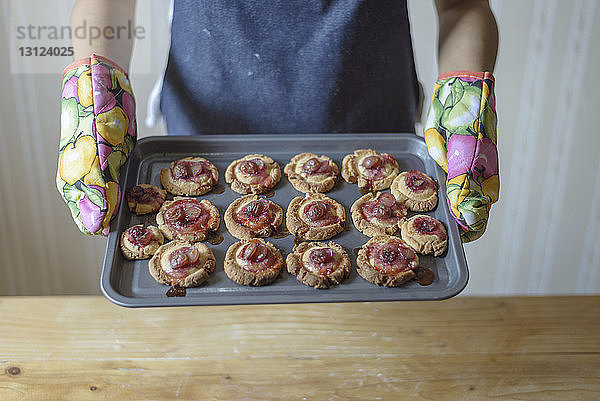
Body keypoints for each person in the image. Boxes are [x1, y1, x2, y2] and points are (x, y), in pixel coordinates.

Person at [57, 0, 499, 242]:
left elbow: (463, 6)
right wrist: (94, 99)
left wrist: (466, 116)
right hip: (201, 146)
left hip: (374, 148)